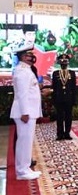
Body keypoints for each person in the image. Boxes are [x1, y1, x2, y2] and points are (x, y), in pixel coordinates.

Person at [11, 44, 42, 180]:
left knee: (27, 141)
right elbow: (22, 94)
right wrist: (24, 112)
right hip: (25, 112)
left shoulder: (26, 70)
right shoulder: (22, 71)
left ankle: (25, 167)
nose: (32, 57)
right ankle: (22, 171)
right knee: (24, 142)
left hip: (29, 111)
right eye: (30, 55)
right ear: (23, 57)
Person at [51, 53, 77, 141]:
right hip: (59, 98)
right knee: (59, 117)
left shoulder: (72, 73)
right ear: (59, 63)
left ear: (68, 63)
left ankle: (67, 133)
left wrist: (74, 99)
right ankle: (60, 134)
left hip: (69, 98)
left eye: (65, 62)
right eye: (62, 62)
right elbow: (54, 87)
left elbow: (74, 88)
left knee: (68, 117)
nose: (64, 64)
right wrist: (54, 99)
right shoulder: (55, 73)